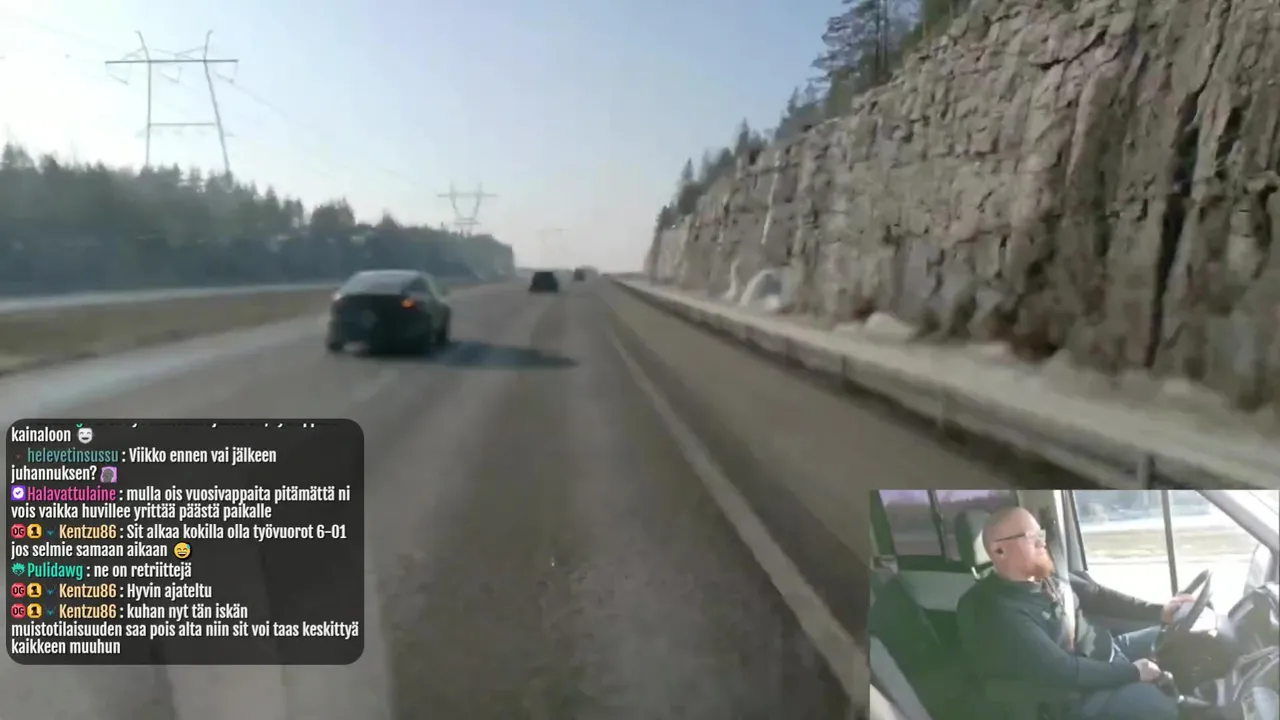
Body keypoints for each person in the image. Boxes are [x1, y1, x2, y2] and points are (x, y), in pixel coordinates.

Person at [956, 506, 1194, 720]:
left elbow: (1097, 595)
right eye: (1031, 537)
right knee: (1172, 710)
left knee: (1185, 639)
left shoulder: (1045, 574)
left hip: (1107, 653)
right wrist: (1133, 672)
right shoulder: (997, 610)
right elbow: (1062, 670)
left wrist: (1160, 611)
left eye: (1041, 534)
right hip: (1080, 695)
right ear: (999, 551)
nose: (1042, 542)